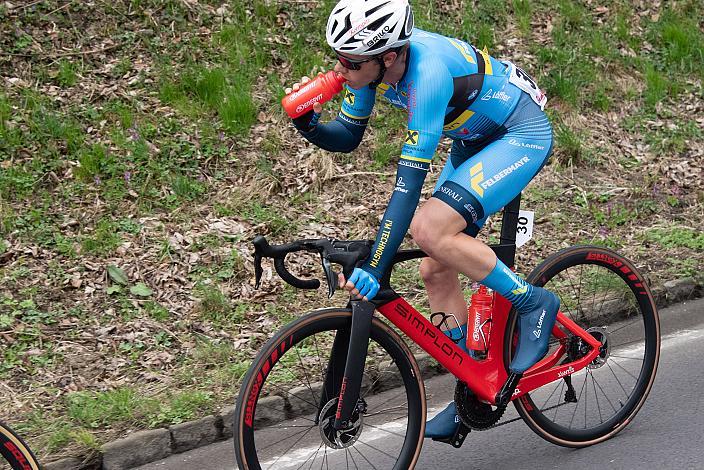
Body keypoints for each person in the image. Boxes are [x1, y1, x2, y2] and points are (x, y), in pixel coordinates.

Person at [285, 0, 559, 441]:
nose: (342, 69)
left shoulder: (426, 75)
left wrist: (376, 266)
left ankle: (533, 302)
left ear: (388, 57)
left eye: (350, 61)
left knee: (430, 230)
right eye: (338, 57)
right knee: (434, 267)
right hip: (475, 137)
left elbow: (408, 185)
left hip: (517, 134)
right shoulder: (369, 67)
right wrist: (309, 124)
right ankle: (476, 383)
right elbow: (348, 136)